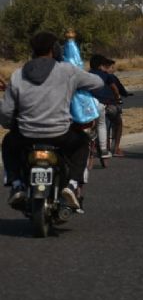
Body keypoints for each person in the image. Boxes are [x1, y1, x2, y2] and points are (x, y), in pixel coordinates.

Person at [0, 32, 104, 209]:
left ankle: (16, 184)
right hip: (60, 134)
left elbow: (6, 111)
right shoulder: (67, 71)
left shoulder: (18, 75)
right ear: (55, 49)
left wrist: (11, 125)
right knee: (82, 143)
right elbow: (98, 83)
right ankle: (72, 185)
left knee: (8, 143)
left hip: (27, 135)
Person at [88, 54, 118, 159]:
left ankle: (89, 136)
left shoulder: (86, 74)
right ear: (101, 65)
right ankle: (104, 149)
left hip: (87, 105)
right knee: (101, 124)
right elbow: (114, 88)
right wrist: (118, 98)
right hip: (100, 104)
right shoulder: (106, 75)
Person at [104, 57, 131, 156]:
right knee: (118, 123)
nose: (113, 69)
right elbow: (119, 89)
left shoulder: (93, 75)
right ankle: (116, 149)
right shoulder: (112, 77)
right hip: (110, 105)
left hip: (95, 106)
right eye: (112, 67)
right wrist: (124, 95)